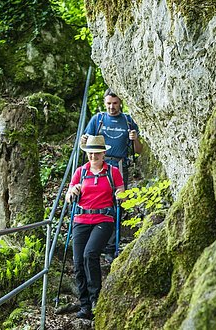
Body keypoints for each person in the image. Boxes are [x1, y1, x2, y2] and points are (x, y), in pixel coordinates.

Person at [65, 135, 124, 319]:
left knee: (90, 254)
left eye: (96, 154)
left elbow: (122, 192)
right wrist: (72, 192)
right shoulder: (80, 172)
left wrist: (121, 194)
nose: (93, 157)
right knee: (78, 263)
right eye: (90, 153)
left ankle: (96, 299)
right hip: (81, 220)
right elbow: (68, 196)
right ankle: (85, 306)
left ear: (104, 153)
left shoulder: (112, 172)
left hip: (103, 220)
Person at [81, 88, 143, 262]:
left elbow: (139, 150)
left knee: (116, 205)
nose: (112, 107)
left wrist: (135, 139)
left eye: (115, 103)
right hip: (97, 165)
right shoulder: (98, 120)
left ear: (120, 102)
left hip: (120, 165)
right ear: (104, 103)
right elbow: (84, 146)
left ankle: (109, 249)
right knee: (94, 200)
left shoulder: (128, 121)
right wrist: (83, 141)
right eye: (108, 103)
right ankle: (93, 243)